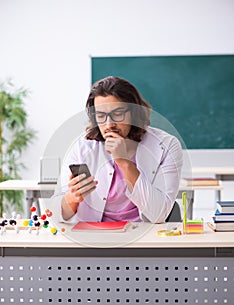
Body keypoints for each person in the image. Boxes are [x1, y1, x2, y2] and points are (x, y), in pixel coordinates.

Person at [59, 76, 183, 223]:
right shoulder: (82, 147)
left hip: (144, 235)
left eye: (117, 114)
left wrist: (124, 162)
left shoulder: (166, 145)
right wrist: (71, 199)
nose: (109, 124)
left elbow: (159, 215)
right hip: (94, 235)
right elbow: (59, 214)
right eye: (101, 116)